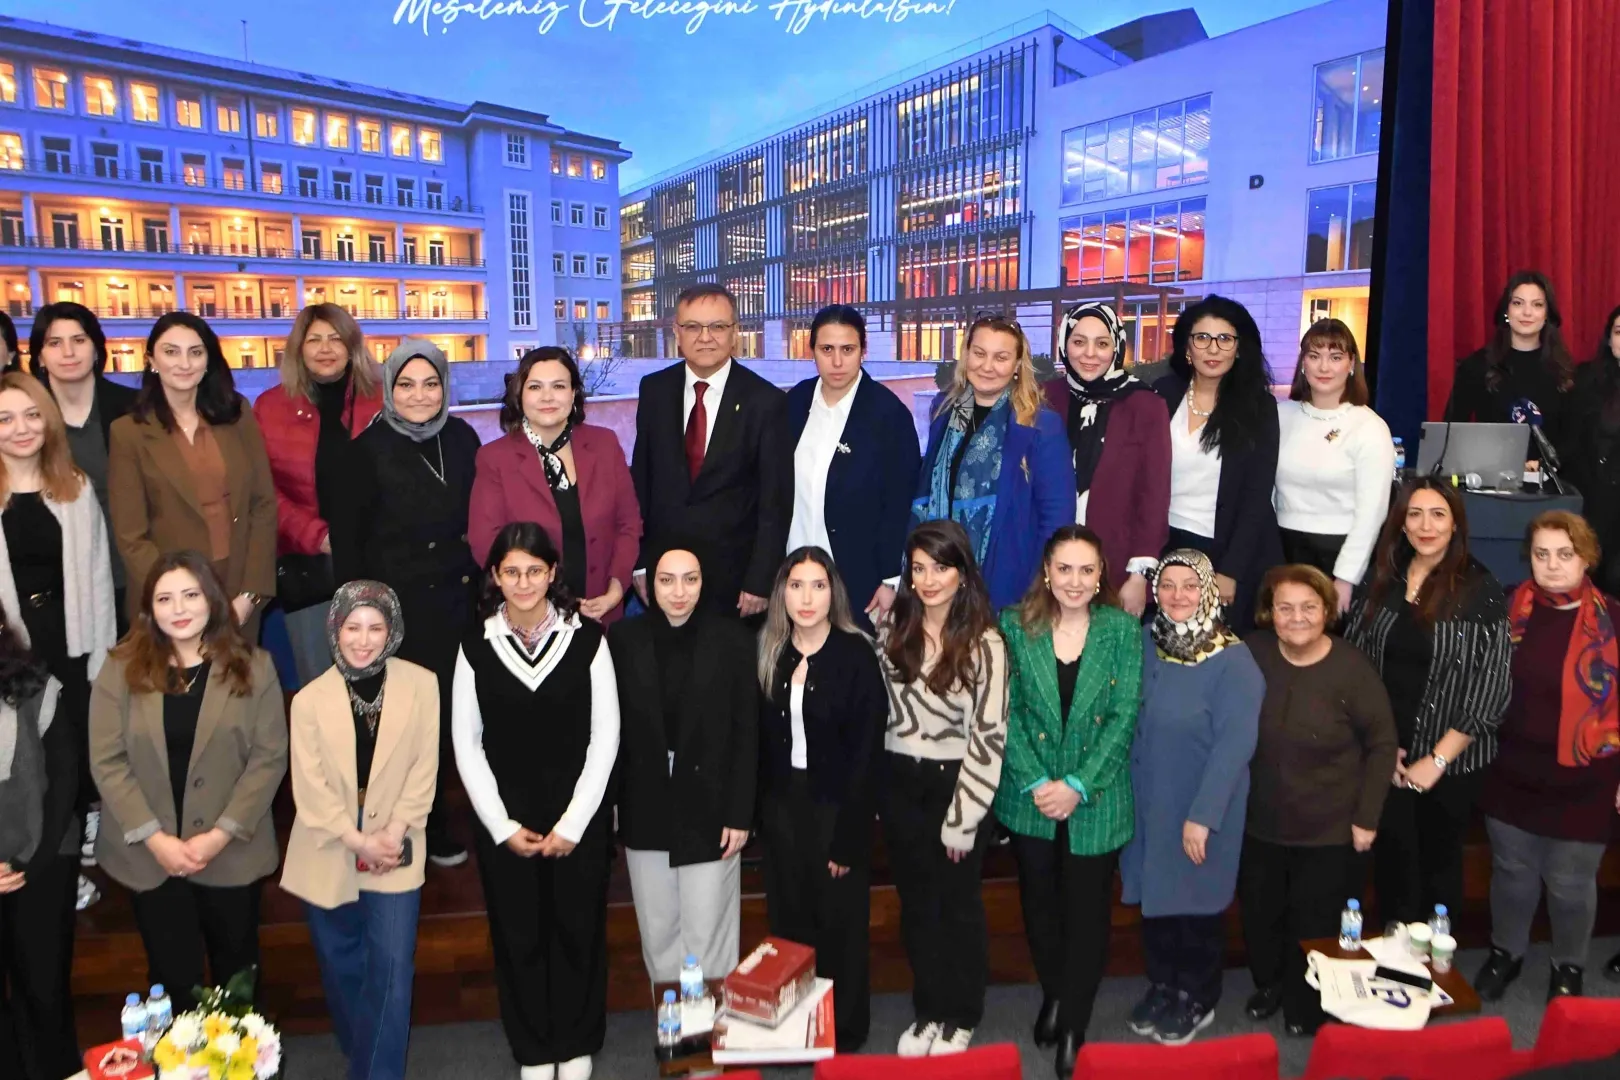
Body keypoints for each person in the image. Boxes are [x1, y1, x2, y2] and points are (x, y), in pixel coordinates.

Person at [453, 523, 618, 1080]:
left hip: (578, 820)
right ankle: (534, 1048)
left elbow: (605, 736)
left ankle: (575, 1042)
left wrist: (575, 821)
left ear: (552, 574)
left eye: (534, 571)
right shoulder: (475, 645)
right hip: (508, 822)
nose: (523, 582)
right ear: (495, 577)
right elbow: (466, 742)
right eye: (511, 572)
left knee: (578, 928)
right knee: (517, 932)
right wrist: (500, 825)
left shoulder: (588, 640)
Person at [88, 551, 287, 1011]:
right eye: (164, 599)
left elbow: (269, 758)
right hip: (149, 854)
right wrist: (155, 839)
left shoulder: (255, 666)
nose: (178, 609)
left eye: (190, 595)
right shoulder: (120, 668)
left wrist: (219, 835)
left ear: (212, 600)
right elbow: (107, 760)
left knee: (237, 984)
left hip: (230, 849)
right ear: (149, 608)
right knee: (172, 982)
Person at [994, 525, 1141, 1076]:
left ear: (1101, 574)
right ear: (1047, 572)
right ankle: (1055, 992)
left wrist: (1077, 785)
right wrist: (1038, 782)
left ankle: (1074, 1020)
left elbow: (1124, 716)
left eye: (1086, 570)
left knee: (1086, 914)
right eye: (1064, 569)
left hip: (1095, 799)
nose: (1074, 581)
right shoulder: (1013, 625)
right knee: (1041, 909)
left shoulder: (1122, 630)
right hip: (1030, 796)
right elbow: (1003, 711)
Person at [281, 582, 440, 1080]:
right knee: (343, 965)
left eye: (376, 627)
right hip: (329, 842)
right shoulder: (308, 700)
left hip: (396, 838)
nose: (364, 640)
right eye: (353, 627)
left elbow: (425, 768)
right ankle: (365, 1055)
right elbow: (310, 791)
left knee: (392, 968)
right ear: (335, 628)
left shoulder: (423, 684)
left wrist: (392, 832)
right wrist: (358, 841)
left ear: (393, 631)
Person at [335, 339, 481, 870]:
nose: (419, 395)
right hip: (396, 612)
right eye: (406, 385)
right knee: (406, 727)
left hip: (460, 605)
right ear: (389, 390)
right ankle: (411, 828)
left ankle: (447, 818)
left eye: (431, 384)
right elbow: (349, 545)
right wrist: (359, 620)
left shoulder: (462, 438)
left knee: (451, 721)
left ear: (445, 387)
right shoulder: (364, 451)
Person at [1343, 478, 1511, 925]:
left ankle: (1435, 960)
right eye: (1414, 515)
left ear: (1456, 524)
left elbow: (1491, 689)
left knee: (1438, 869)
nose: (1425, 526)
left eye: (1438, 515)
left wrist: (1436, 761)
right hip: (1387, 753)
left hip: (1450, 760)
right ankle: (1394, 954)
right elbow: (1355, 664)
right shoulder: (1383, 577)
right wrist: (1378, 746)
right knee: (1392, 866)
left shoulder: (1479, 588)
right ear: (1401, 523)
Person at [1240, 564, 1397, 1034]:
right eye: (1285, 608)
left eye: (1309, 607)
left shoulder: (1352, 668)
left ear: (1327, 610)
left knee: (1314, 920)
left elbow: (1383, 744)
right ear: (1269, 613)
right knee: (1261, 914)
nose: (1297, 617)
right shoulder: (1251, 653)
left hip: (1329, 828)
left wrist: (1367, 817)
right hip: (1259, 821)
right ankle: (1269, 984)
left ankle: (1306, 1001)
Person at [1475, 512, 1620, 1002]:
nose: (1553, 565)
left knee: (1570, 884)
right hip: (1512, 772)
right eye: (1542, 554)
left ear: (1587, 558)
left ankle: (1568, 965)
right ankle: (1506, 953)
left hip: (1587, 779)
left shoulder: (1613, 619)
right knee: (1511, 876)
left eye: (1565, 554)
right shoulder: (1507, 608)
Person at [1121, 549, 1263, 1046]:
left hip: (1201, 803)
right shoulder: (1147, 640)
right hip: (1149, 800)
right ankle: (1164, 985)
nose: (1177, 595)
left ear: (1208, 592)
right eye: (1167, 585)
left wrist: (1203, 816)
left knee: (1196, 905)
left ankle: (1197, 996)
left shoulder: (1233, 659)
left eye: (1189, 585)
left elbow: (1235, 745)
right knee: (1156, 898)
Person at [880, 520, 1008, 1057]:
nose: (929, 580)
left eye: (941, 567)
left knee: (957, 907)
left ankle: (961, 1014)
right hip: (900, 783)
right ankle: (929, 1009)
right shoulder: (893, 628)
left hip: (956, 785)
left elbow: (990, 735)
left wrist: (963, 818)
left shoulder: (986, 643)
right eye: (919, 569)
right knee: (917, 906)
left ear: (963, 572)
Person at [756, 546, 886, 1052]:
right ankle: (798, 1031)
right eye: (796, 586)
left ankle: (844, 1035)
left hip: (837, 809)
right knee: (790, 924)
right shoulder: (770, 650)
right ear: (781, 594)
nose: (806, 598)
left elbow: (866, 755)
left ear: (834, 593)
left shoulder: (856, 655)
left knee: (840, 927)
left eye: (817, 586)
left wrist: (850, 837)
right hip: (783, 810)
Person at [609, 541, 755, 982]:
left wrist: (740, 813)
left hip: (712, 801)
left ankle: (712, 1021)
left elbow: (747, 732)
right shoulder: (623, 641)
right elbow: (611, 732)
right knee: (659, 931)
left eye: (690, 580)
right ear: (649, 585)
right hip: (645, 800)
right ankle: (671, 1021)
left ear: (703, 583)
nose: (679, 591)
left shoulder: (732, 639)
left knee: (709, 932)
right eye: (667, 580)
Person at [0, 372, 118, 907]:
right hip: (8, 646)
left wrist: (100, 657)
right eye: (5, 418)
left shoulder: (74, 485)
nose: (21, 428)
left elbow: (97, 578)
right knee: (22, 759)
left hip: (67, 639)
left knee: (67, 757)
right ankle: (26, 856)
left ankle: (64, 867)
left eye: (31, 415)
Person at [107, 313, 277, 642]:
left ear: (208, 360)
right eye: (171, 351)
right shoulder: (128, 432)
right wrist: (180, 600)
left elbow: (263, 504)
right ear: (151, 360)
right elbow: (131, 537)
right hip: (169, 601)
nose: (184, 363)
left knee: (238, 675)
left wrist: (250, 594)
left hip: (238, 589)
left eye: (195, 352)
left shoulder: (237, 413)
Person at [630, 284, 791, 619]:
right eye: (692, 327)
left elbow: (774, 502)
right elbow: (641, 482)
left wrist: (761, 580)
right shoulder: (654, 390)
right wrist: (640, 562)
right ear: (677, 332)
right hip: (665, 573)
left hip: (735, 581)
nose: (705, 337)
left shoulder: (766, 402)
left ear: (735, 332)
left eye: (717, 326)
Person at [908, 314, 1074, 612]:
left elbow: (1057, 518)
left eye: (1001, 357)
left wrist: (1038, 585)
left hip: (1008, 585)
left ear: (1017, 364)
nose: (987, 366)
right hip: (938, 577)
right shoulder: (943, 411)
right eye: (979, 353)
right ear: (966, 355)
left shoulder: (1040, 425)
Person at [253, 305, 383, 685]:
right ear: (299, 348)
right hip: (310, 570)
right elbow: (263, 490)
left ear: (352, 346)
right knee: (321, 687)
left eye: (335, 339)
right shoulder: (270, 407)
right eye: (314, 340)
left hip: (378, 564)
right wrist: (317, 537)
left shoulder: (382, 399)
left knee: (380, 682)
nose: (325, 349)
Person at [469, 347, 641, 623]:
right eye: (535, 387)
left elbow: (628, 524)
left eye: (558, 386)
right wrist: (543, 604)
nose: (547, 396)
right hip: (530, 617)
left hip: (602, 612)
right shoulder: (494, 458)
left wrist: (616, 588)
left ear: (573, 394)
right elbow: (486, 543)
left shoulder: (605, 444)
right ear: (519, 395)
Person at [786, 306, 921, 630]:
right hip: (793, 571)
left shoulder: (889, 415)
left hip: (858, 579)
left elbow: (900, 503)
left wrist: (890, 579)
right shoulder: (795, 402)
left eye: (847, 349)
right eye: (826, 349)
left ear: (863, 351)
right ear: (812, 351)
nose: (837, 362)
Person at [1153, 296, 1281, 634]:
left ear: (1239, 348)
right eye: (1202, 338)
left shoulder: (1259, 407)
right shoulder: (1161, 394)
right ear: (1187, 347)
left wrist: (1230, 571)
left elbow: (1257, 495)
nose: (1213, 349)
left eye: (1225, 338)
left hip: (1228, 550)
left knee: (1222, 646)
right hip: (1168, 545)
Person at [1042, 303, 1170, 616]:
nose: (1090, 353)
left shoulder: (1145, 405)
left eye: (1102, 343)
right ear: (1064, 345)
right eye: (1078, 341)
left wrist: (1138, 576)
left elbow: (1154, 494)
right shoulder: (1044, 397)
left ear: (1117, 347)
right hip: (1048, 563)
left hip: (1117, 565)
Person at [0, 616, 79, 1080]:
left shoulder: (38, 686)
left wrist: (31, 862)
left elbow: (66, 779)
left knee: (45, 994)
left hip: (44, 856)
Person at [1273, 320, 1395, 613]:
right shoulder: (1280, 416)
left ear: (1351, 364)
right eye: (1314, 356)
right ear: (1303, 363)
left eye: (1335, 357)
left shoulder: (1369, 427)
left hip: (1340, 556)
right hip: (1283, 550)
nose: (1324, 367)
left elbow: (1372, 513)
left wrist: (1346, 577)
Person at [26, 303, 138, 617]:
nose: (68, 352)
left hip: (129, 573)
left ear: (97, 349)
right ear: (39, 357)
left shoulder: (133, 408)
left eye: (79, 340)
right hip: (55, 581)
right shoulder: (23, 416)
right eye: (54, 343)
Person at [1444, 270, 1574, 459]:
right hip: (1489, 473)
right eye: (1518, 303)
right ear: (1506, 311)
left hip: (1550, 475)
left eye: (1537, 305)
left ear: (1547, 314)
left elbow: (1574, 440)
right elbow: (1450, 433)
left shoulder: (1564, 370)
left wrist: (1542, 464)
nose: (1527, 312)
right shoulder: (1477, 366)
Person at [1562, 304, 1620, 594]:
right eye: (1619, 332)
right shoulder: (1587, 379)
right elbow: (1568, 438)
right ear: (1609, 339)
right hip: (1592, 498)